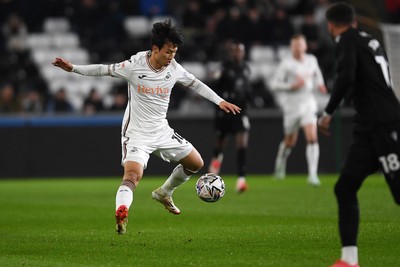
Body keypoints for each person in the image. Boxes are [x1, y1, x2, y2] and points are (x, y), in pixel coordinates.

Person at [52, 20, 241, 235]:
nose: (172, 57)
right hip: (137, 134)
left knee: (196, 163)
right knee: (133, 176)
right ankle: (122, 211)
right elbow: (103, 70)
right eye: (168, 52)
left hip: (162, 130)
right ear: (155, 49)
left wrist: (219, 101)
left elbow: (196, 83)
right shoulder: (134, 66)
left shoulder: (175, 68)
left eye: (175, 52)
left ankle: (164, 192)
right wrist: (73, 68)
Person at [317, 3, 400, 267]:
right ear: (353, 21)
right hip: (369, 126)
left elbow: (346, 77)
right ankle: (349, 260)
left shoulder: (346, 40)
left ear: (331, 25)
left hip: (384, 125)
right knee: (345, 187)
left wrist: (328, 112)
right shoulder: (370, 40)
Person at [270, 34, 327, 186]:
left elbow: (318, 77)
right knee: (290, 141)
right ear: (291, 47)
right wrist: (291, 86)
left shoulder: (312, 60)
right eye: (295, 45)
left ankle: (313, 175)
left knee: (312, 137)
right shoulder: (286, 63)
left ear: (305, 46)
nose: (298, 48)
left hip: (308, 103)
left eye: (300, 45)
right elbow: (274, 84)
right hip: (292, 107)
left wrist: (320, 85)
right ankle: (279, 167)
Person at [208, 41, 252, 193]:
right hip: (225, 111)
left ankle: (241, 180)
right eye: (235, 51)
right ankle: (213, 174)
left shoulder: (246, 68)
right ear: (231, 52)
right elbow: (214, 86)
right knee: (219, 146)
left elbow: (247, 89)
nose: (238, 54)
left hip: (240, 111)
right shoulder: (223, 68)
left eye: (240, 51)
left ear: (244, 53)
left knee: (242, 145)